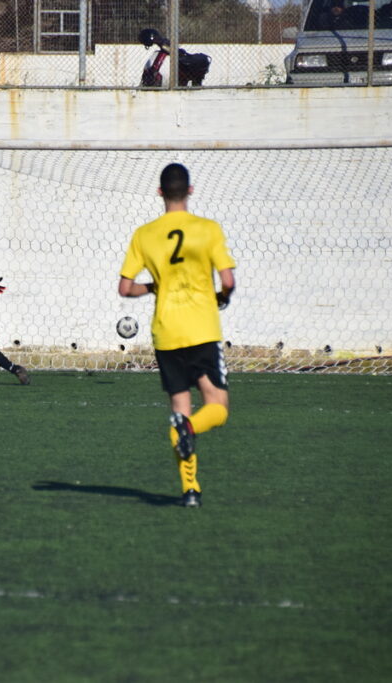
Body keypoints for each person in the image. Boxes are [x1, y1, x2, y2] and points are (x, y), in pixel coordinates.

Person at [118, 163, 236, 508]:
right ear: (190, 191)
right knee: (217, 407)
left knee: (179, 410)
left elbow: (125, 288)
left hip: (167, 332)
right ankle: (190, 431)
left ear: (160, 193)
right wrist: (221, 297)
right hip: (202, 328)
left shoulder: (144, 234)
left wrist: (154, 286)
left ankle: (190, 490)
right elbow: (228, 281)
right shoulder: (208, 229)